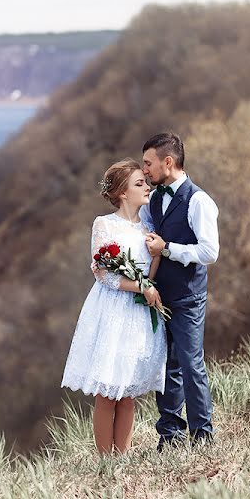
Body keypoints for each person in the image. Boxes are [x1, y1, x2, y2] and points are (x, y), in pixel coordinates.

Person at [61, 159, 168, 454]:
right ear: (122, 192)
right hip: (112, 311)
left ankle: (122, 457)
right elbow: (102, 272)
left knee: (128, 390)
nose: (147, 186)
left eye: (145, 182)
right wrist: (141, 286)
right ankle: (104, 460)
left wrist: (155, 258)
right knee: (107, 391)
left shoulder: (149, 224)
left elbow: (151, 269)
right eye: (139, 184)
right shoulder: (105, 224)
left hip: (138, 312)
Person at [139, 132, 219, 449]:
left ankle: (203, 437)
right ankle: (169, 436)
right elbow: (143, 233)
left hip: (188, 297)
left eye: (148, 164)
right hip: (159, 296)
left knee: (190, 363)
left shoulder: (199, 201)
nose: (144, 170)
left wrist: (169, 249)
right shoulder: (154, 199)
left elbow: (209, 252)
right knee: (165, 367)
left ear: (167, 162)